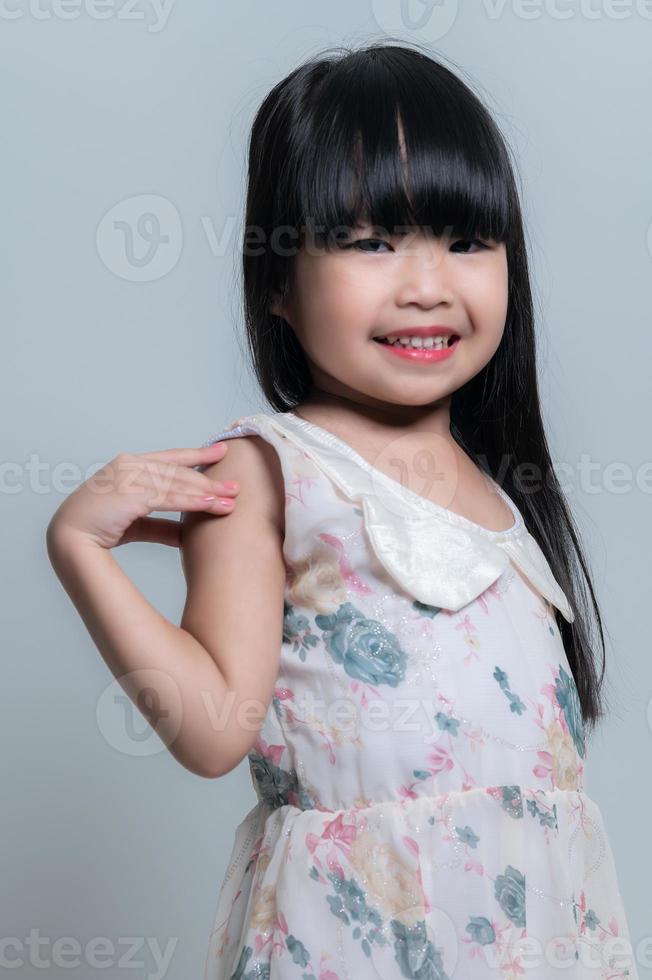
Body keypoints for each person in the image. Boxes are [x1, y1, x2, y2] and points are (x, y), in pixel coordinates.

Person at [46, 41, 638, 980]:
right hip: (354, 946)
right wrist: (80, 547)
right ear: (276, 280)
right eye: (371, 242)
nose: (427, 284)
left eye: (466, 240)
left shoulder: (495, 485)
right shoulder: (276, 469)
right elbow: (213, 729)